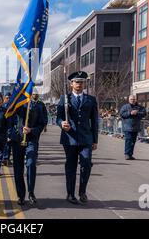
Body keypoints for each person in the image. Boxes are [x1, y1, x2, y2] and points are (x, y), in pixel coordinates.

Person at [56, 71, 99, 205]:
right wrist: (62, 123)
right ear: (71, 84)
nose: (79, 84)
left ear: (84, 84)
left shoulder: (91, 100)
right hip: (70, 138)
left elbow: (95, 121)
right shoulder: (65, 98)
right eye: (76, 82)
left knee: (86, 163)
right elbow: (58, 117)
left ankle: (82, 191)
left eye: (81, 82)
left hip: (86, 138)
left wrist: (95, 140)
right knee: (71, 166)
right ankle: (70, 194)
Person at [9, 92, 45, 206]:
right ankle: (21, 195)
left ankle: (31, 192)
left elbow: (43, 123)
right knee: (18, 168)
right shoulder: (17, 104)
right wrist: (11, 134)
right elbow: (8, 119)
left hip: (31, 139)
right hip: (17, 139)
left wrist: (31, 130)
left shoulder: (39, 106)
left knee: (30, 163)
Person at [120, 95, 147, 160]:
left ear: (136, 100)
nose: (133, 100)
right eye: (131, 99)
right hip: (127, 127)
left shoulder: (140, 107)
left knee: (133, 141)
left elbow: (144, 113)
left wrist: (137, 113)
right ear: (129, 100)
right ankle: (127, 154)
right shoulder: (125, 107)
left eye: (134, 99)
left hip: (136, 127)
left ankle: (130, 154)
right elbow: (122, 114)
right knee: (128, 140)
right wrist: (130, 113)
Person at [2, 93, 13, 167]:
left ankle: (7, 158)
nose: (8, 99)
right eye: (7, 98)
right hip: (2, 129)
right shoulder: (2, 107)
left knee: (8, 145)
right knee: (3, 145)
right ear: (4, 98)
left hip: (10, 128)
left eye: (9, 98)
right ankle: (3, 158)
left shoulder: (12, 107)